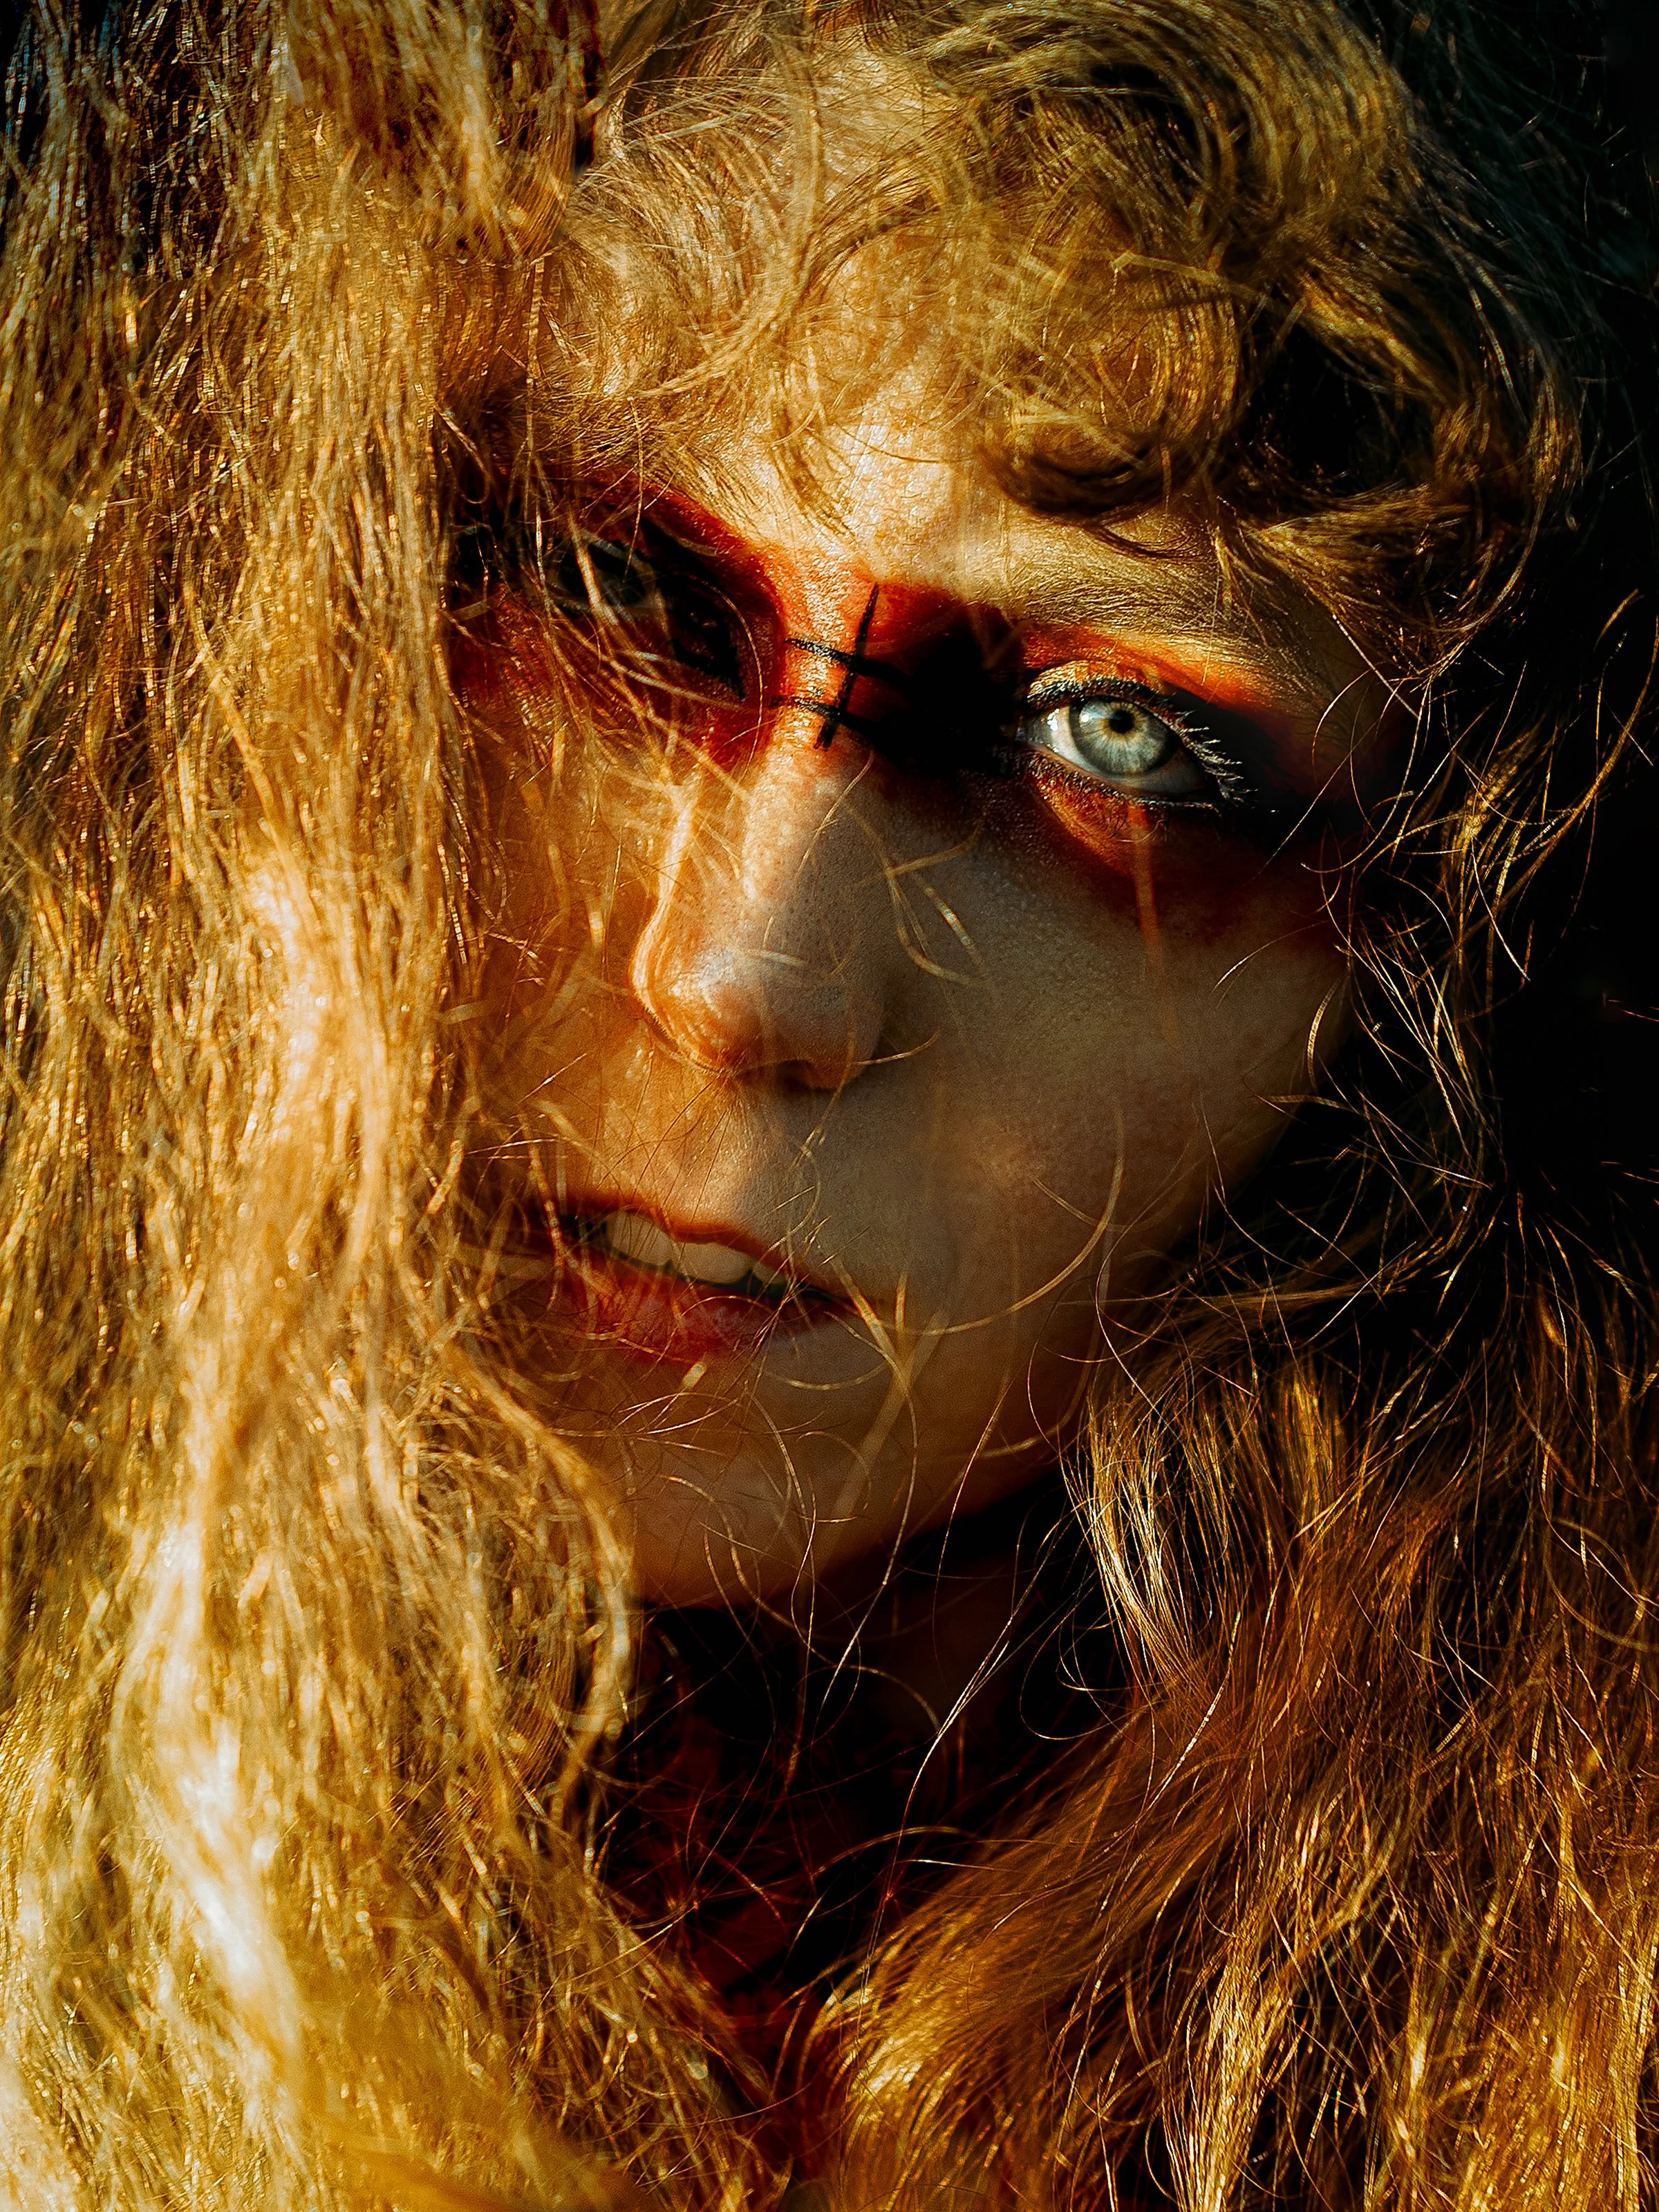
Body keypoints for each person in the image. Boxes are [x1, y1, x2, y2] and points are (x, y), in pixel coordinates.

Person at [1, 0, 1656, 2205]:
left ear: (1464, 961)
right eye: (616, 588)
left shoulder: (1541, 2035)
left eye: (1118, 742)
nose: (745, 980)